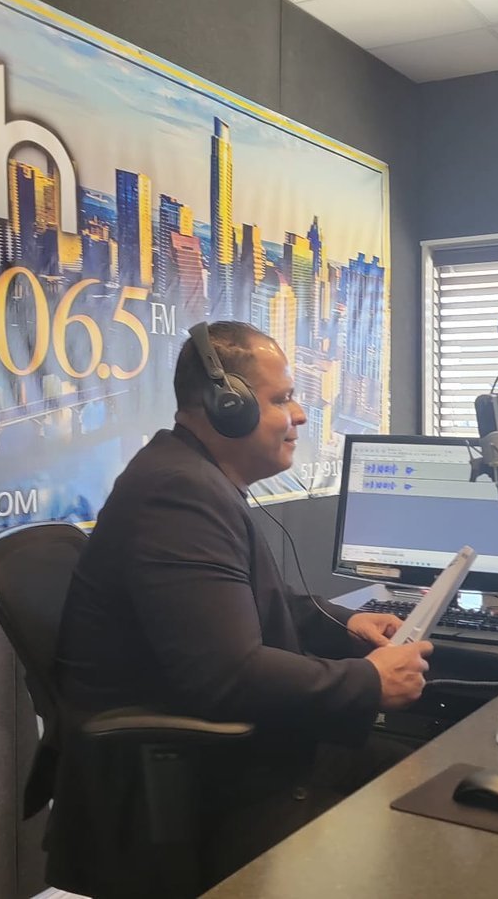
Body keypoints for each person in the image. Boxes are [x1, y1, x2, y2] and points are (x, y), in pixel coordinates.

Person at [50, 320, 432, 895]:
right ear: (225, 406)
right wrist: (368, 683)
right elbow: (228, 674)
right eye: (282, 399)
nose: (300, 415)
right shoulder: (178, 494)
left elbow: (251, 603)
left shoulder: (192, 477)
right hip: (209, 778)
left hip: (229, 749)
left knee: (425, 769)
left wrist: (348, 623)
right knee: (427, 804)